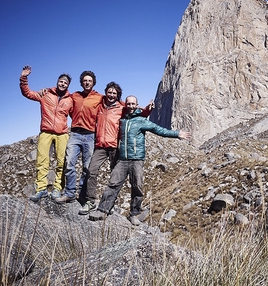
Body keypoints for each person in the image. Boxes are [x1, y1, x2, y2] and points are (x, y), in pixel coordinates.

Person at [88, 95, 190, 225]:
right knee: (113, 184)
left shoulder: (142, 121)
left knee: (137, 187)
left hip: (137, 159)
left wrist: (177, 134)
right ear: (126, 105)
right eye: (128, 104)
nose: (130, 106)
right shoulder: (122, 120)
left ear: (136, 105)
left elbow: (159, 130)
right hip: (123, 159)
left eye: (133, 104)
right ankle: (103, 210)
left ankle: (134, 214)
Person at [78, 83, 154, 215]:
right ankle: (90, 201)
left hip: (114, 147)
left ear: (118, 95)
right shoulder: (100, 106)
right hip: (100, 146)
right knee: (91, 171)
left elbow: (136, 111)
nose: (112, 95)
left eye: (114, 93)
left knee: (115, 178)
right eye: (110, 92)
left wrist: (148, 109)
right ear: (106, 92)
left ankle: (110, 205)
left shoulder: (122, 107)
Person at [19, 65, 73, 201]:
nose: (63, 84)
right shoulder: (45, 94)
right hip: (46, 132)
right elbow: (28, 93)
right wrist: (24, 77)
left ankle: (57, 189)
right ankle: (41, 189)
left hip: (62, 134)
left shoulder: (70, 100)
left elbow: (77, 115)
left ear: (68, 85)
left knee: (62, 162)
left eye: (65, 83)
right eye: (61, 81)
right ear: (57, 81)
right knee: (42, 161)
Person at [55, 71, 103, 204]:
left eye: (90, 81)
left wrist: (141, 109)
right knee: (69, 163)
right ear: (81, 82)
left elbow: (116, 103)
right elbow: (61, 97)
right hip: (75, 134)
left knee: (87, 167)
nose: (87, 83)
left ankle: (82, 195)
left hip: (90, 135)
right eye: (85, 81)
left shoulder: (99, 97)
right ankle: (70, 193)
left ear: (93, 83)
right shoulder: (74, 96)